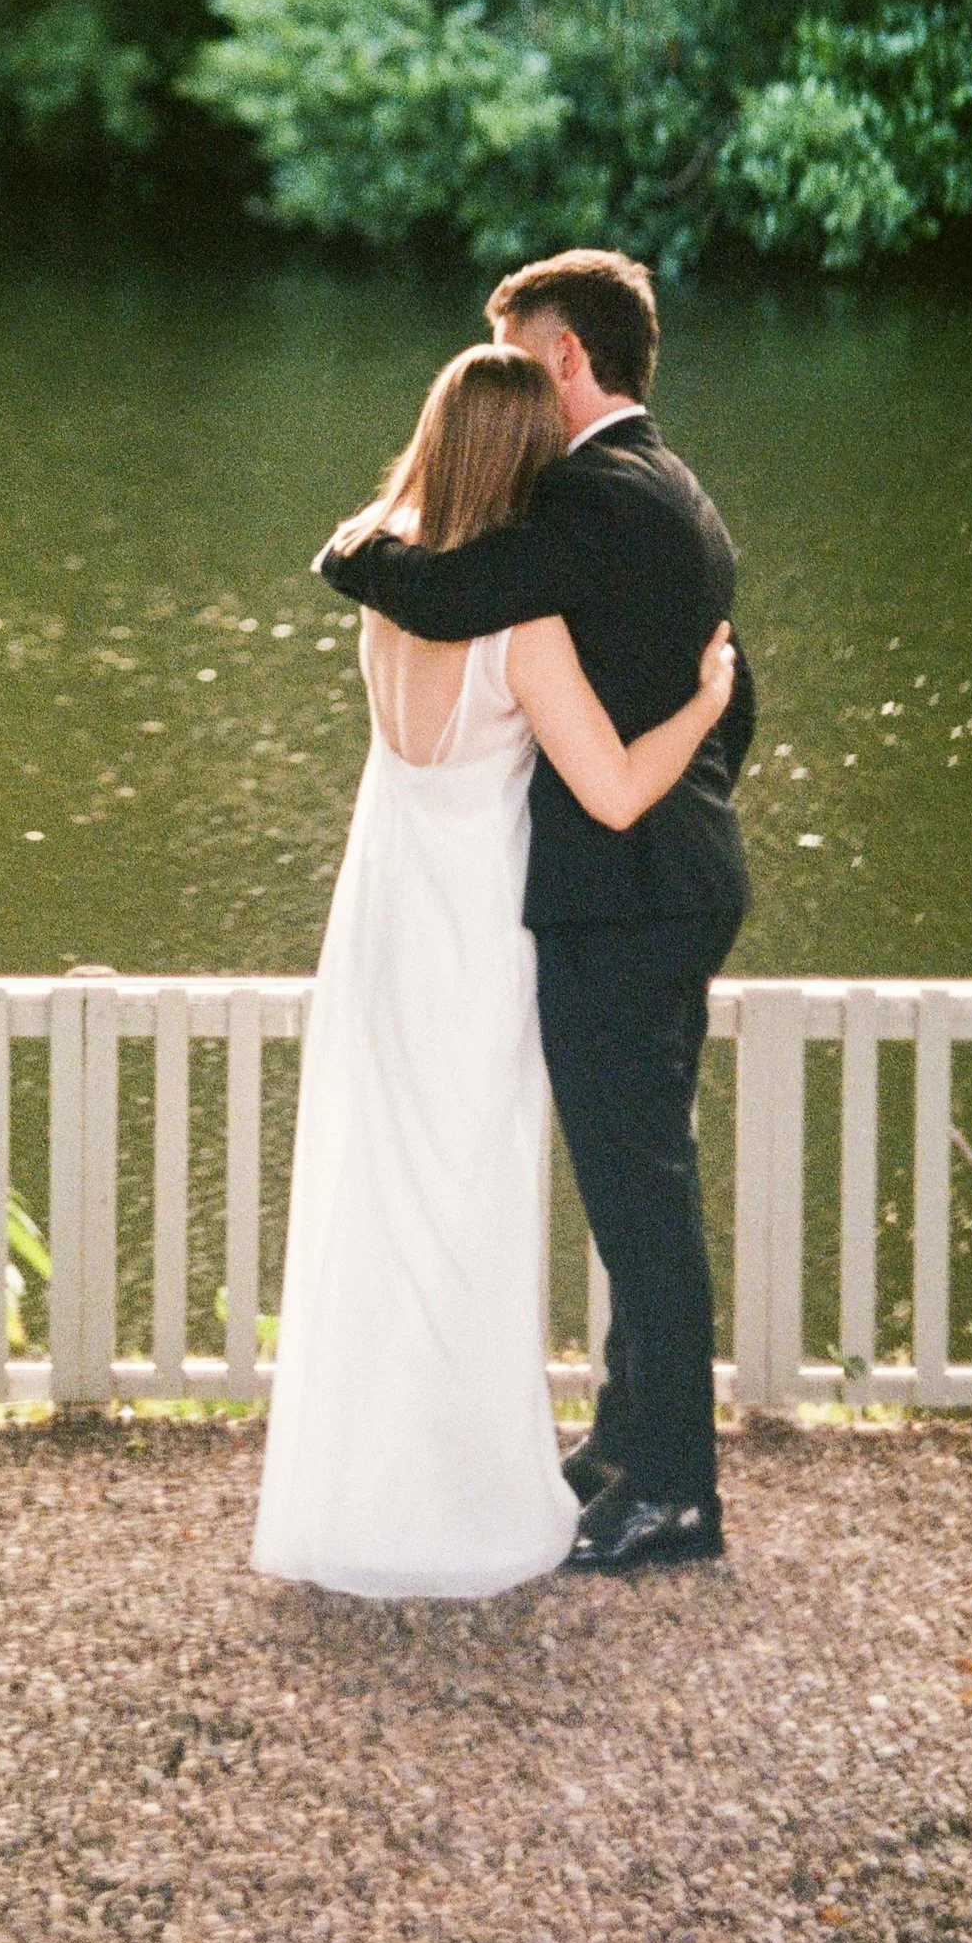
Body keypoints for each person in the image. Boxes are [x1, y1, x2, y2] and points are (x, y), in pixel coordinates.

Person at [252, 340, 736, 1603]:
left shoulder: (392, 597)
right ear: (523, 460)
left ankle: (367, 1483)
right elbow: (618, 786)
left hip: (384, 924)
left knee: (384, 1195)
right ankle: (468, 1486)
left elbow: (371, 558)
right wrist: (705, 699)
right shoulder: (518, 626)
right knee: (471, 1203)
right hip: (481, 935)